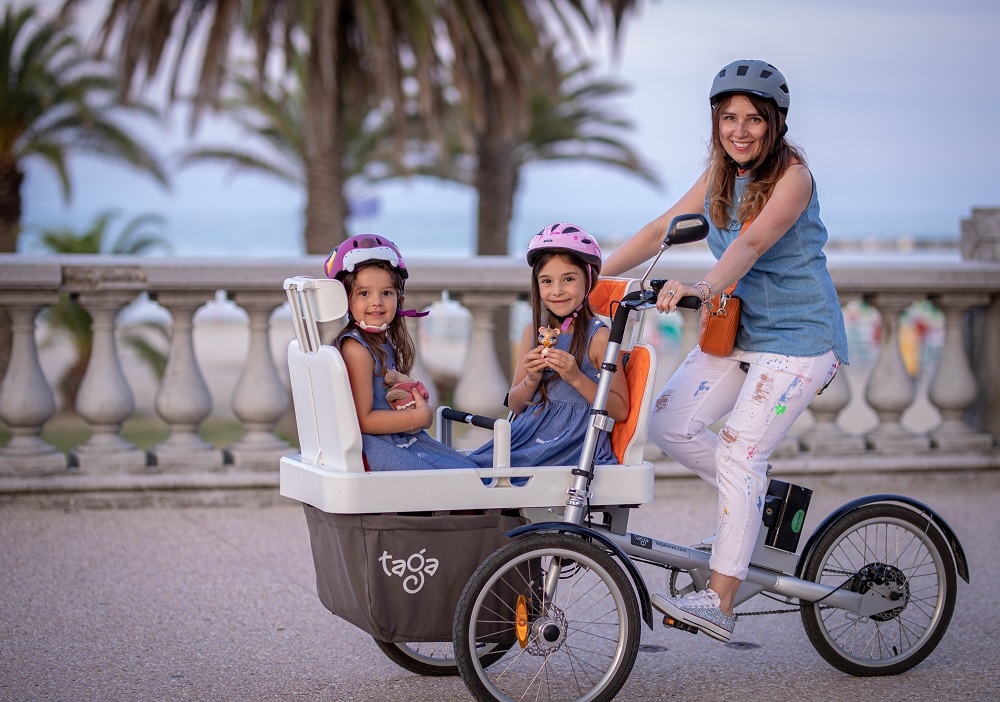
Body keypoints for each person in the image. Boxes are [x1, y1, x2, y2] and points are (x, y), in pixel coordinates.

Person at [602, 59, 848, 642]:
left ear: (775, 123)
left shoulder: (794, 177)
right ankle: (756, 502)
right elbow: (663, 226)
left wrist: (705, 287)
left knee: (740, 453)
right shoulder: (717, 173)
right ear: (716, 122)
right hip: (738, 333)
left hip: (800, 340)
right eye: (729, 117)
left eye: (753, 119)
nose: (740, 130)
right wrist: (591, 277)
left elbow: (752, 241)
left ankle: (721, 598)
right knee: (666, 423)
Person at [469, 223, 629, 468]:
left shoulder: (599, 338)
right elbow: (515, 404)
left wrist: (575, 377)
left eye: (568, 279)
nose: (557, 291)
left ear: (588, 279)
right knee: (468, 468)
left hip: (573, 446)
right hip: (528, 435)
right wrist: (531, 380)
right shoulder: (533, 332)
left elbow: (620, 410)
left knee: (482, 476)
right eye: (546, 281)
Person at [325, 234, 479, 471]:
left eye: (386, 293)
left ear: (399, 298)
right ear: (345, 300)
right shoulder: (357, 349)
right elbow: (362, 420)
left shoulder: (380, 341)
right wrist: (419, 418)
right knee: (462, 476)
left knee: (468, 468)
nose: (376, 302)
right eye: (364, 293)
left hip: (396, 440)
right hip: (377, 448)